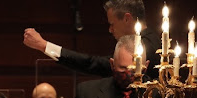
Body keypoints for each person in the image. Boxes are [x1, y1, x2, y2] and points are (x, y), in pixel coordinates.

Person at [23, 0, 160, 79]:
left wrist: (44, 45)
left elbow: (95, 64)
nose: (110, 30)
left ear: (126, 18)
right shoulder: (149, 40)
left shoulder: (145, 46)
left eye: (112, 24)